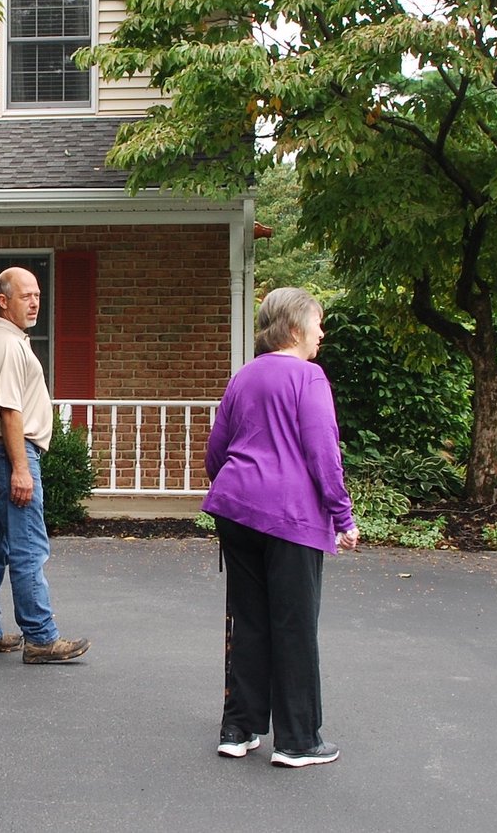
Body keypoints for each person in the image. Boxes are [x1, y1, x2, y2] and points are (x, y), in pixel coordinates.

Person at [203, 287, 359, 768]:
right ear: (294, 329)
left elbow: (216, 451)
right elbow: (323, 453)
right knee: (293, 626)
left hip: (237, 511)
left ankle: (238, 729)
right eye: (317, 324)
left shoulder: (244, 377)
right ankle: (297, 741)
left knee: (248, 621)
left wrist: (241, 489)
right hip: (290, 519)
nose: (322, 333)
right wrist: (343, 516)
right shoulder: (309, 377)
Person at [0, 267, 91, 665]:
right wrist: (21, 468)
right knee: (28, 548)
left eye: (37, 294)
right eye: (26, 296)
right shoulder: (7, 345)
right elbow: (9, 410)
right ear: (4, 301)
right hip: (8, 454)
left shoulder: (2, 340)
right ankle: (40, 637)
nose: (35, 302)